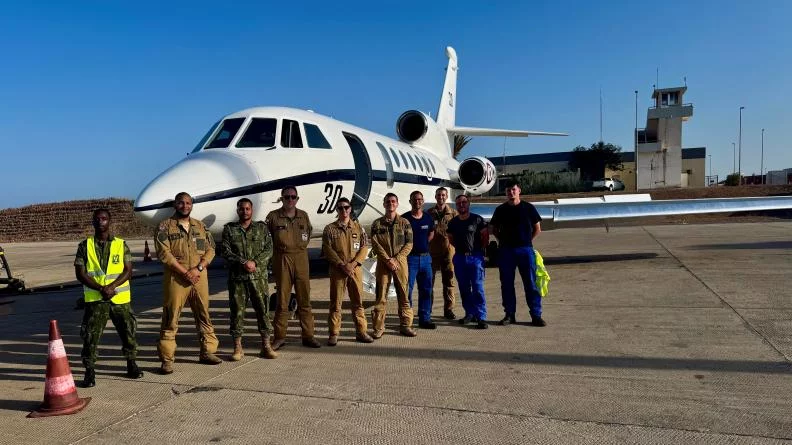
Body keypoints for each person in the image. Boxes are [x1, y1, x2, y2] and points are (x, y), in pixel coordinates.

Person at [154, 192, 222, 375]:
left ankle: (208, 352)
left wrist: (198, 269)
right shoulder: (165, 227)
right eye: (181, 203)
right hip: (177, 278)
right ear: (175, 205)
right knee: (171, 318)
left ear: (192, 205)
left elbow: (211, 249)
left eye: (188, 203)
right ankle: (167, 360)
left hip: (199, 277)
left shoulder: (200, 226)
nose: (185, 206)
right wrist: (185, 272)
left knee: (204, 315)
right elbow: (164, 253)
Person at [74, 208, 143, 388]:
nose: (100, 222)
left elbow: (128, 270)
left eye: (104, 219)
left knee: (128, 332)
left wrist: (112, 286)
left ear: (109, 221)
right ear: (92, 222)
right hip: (96, 299)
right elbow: (80, 273)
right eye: (97, 219)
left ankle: (131, 364)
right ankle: (89, 371)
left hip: (119, 298)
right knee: (90, 336)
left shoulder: (121, 244)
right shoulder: (84, 246)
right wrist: (100, 288)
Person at [221, 198, 278, 361]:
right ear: (237, 210)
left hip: (258, 278)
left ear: (251, 210)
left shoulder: (261, 228)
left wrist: (255, 263)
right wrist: (243, 262)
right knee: (237, 312)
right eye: (241, 209)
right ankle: (238, 347)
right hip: (238, 279)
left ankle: (266, 346)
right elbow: (225, 251)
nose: (244, 211)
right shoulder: (230, 230)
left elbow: (269, 248)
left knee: (263, 311)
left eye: (247, 208)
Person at [265, 186, 321, 349]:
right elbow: (268, 239)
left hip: (301, 258)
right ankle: (280, 337)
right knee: (282, 301)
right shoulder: (273, 217)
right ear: (281, 198)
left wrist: (298, 247)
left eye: (293, 197)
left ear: (297, 199)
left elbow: (308, 234)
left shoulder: (303, 216)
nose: (290, 200)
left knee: (305, 300)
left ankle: (308, 336)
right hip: (282, 259)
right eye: (287, 197)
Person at [489, 179, 545, 327]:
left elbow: (537, 228)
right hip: (506, 251)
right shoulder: (500, 210)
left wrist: (526, 241)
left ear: (519, 190)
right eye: (508, 190)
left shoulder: (529, 208)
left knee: (531, 283)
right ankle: (509, 314)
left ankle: (536, 315)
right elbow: (494, 229)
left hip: (525, 250)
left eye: (513, 189)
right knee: (506, 284)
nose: (511, 192)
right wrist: (503, 242)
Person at [321, 197, 375, 345]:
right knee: (335, 303)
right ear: (337, 210)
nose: (343, 210)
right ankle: (333, 333)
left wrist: (353, 264)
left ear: (350, 209)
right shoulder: (330, 229)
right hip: (338, 270)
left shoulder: (358, 228)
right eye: (340, 208)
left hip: (355, 270)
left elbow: (364, 247)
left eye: (346, 207)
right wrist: (341, 264)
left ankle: (361, 331)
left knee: (358, 302)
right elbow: (327, 249)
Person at [369, 193, 416, 338]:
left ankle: (406, 325)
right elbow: (375, 244)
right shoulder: (377, 224)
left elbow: (409, 243)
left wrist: (397, 259)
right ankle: (378, 327)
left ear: (397, 204)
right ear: (384, 204)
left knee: (403, 294)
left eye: (393, 201)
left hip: (400, 263)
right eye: (388, 201)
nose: (390, 203)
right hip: (384, 263)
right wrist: (388, 259)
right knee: (381, 296)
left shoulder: (404, 223)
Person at [446, 195, 489, 329]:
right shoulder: (453, 223)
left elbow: (485, 238)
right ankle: (469, 313)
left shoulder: (477, 219)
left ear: (468, 204)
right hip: (460, 257)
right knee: (464, 289)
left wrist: (476, 251)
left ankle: (481, 316)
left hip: (475, 257)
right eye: (458, 203)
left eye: (464, 202)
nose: (461, 205)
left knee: (478, 288)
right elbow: (451, 239)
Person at [402, 191, 436, 329]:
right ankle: (407, 319)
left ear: (423, 201)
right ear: (410, 201)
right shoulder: (404, 219)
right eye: (414, 199)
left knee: (426, 290)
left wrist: (423, 246)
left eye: (420, 199)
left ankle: (425, 318)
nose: (417, 202)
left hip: (426, 259)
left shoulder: (428, 218)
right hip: (410, 260)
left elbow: (431, 234)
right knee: (407, 291)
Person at [428, 187, 458, 320]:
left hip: (448, 252)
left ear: (447, 197)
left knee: (449, 282)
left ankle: (449, 309)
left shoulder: (453, 214)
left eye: (443, 195)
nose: (441, 197)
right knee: (429, 282)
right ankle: (427, 309)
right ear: (435, 197)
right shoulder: (429, 213)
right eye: (439, 195)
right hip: (432, 252)